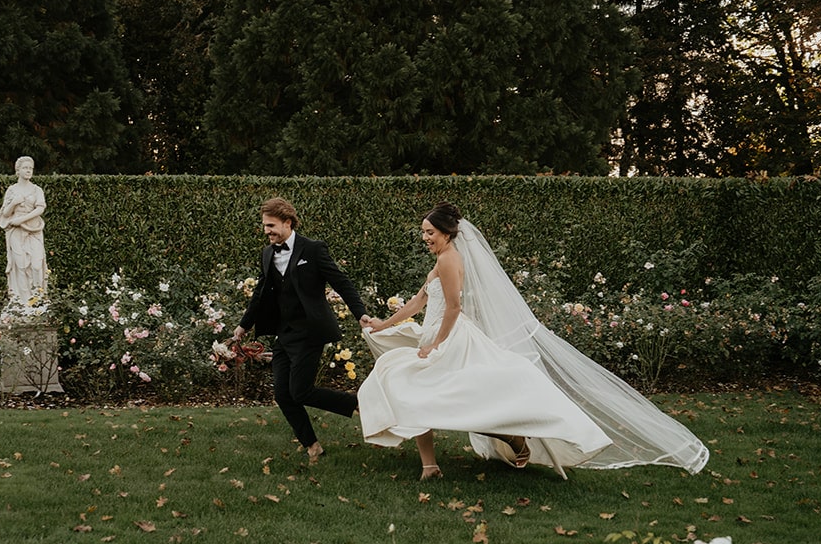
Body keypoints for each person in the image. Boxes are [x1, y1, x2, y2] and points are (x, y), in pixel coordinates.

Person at [359, 202, 710, 480]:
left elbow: (454, 307)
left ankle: (511, 438)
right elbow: (419, 301)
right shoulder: (439, 261)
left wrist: (437, 345)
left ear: (448, 233)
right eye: (423, 232)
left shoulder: (450, 261)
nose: (426, 238)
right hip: (435, 333)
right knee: (414, 387)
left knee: (445, 391)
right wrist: (383, 322)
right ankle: (433, 465)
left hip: (450, 337)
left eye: (430, 232)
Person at [234, 197, 369, 463]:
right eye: (264, 226)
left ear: (287, 222)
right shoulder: (267, 253)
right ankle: (313, 446)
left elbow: (341, 282)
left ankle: (357, 404)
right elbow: (260, 294)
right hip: (283, 334)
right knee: (283, 394)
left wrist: (361, 313)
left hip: (310, 332)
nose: (266, 231)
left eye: (271, 225)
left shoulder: (313, 249)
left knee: (301, 391)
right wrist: (243, 325)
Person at [0, 155, 47, 307]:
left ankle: (38, 300)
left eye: (30, 168)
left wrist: (22, 219)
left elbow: (40, 208)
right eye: (25, 168)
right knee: (21, 265)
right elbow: (5, 213)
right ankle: (23, 303)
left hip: (33, 229)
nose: (28, 171)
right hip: (16, 233)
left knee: (37, 265)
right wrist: (13, 203)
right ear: (17, 170)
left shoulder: (36, 189)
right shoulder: (11, 190)